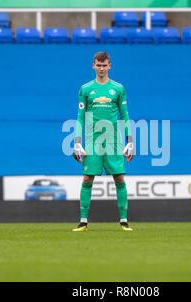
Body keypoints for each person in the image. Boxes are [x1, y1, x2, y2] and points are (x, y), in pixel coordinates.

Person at [72, 51, 134, 232]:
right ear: (93, 66)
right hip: (92, 140)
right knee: (87, 178)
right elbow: (80, 118)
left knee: (119, 177)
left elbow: (125, 115)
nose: (101, 68)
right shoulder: (85, 89)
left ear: (109, 66)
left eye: (104, 65)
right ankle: (83, 221)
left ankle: (124, 221)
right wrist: (77, 142)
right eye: (98, 65)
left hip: (114, 140)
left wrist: (129, 141)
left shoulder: (118, 89)